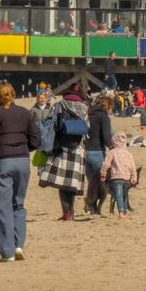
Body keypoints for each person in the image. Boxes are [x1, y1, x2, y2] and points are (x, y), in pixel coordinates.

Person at [0, 81, 40, 262]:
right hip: (23, 161)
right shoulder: (24, 113)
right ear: (14, 94)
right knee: (19, 204)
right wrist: (23, 148)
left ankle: (7, 252)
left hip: (3, 161)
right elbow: (36, 139)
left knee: (4, 208)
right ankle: (18, 246)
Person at [39, 82, 89, 221]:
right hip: (78, 148)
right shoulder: (83, 108)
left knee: (62, 182)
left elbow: (50, 124)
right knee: (72, 183)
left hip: (61, 146)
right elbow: (87, 128)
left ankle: (66, 212)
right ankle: (72, 212)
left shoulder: (59, 105)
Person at [83, 95, 114, 215]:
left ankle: (91, 206)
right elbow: (106, 136)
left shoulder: (89, 114)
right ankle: (93, 207)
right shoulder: (103, 117)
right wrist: (113, 148)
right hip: (97, 151)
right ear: (108, 106)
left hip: (86, 151)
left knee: (91, 181)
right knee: (100, 182)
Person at [100, 133, 138, 219]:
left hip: (116, 178)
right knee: (124, 195)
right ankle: (124, 211)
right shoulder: (128, 153)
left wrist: (103, 174)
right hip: (127, 179)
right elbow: (133, 167)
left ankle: (121, 212)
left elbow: (106, 164)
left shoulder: (112, 152)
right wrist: (134, 177)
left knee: (119, 195)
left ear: (113, 142)